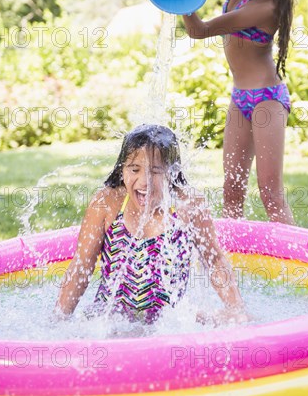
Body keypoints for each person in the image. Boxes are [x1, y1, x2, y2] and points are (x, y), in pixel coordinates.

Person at [166, 0, 302, 225]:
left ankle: (299, 268)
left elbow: (198, 30)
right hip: (240, 98)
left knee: (271, 194)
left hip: (267, 99)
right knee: (232, 189)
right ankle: (231, 266)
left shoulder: (267, 6)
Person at [55, 124, 246, 325]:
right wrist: (57, 320)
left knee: (220, 320)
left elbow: (214, 261)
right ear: (122, 169)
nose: (144, 181)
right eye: (134, 169)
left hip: (167, 324)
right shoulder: (106, 203)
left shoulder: (188, 206)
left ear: (172, 172)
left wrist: (237, 309)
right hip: (110, 322)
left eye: (155, 171)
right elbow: (81, 265)